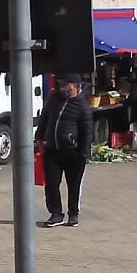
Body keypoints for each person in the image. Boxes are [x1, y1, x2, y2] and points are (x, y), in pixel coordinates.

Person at [36, 74, 93, 227]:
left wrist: (84, 153)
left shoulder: (83, 107)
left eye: (65, 85)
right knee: (52, 184)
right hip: (52, 150)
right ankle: (55, 214)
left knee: (74, 185)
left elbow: (87, 132)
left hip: (73, 152)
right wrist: (39, 137)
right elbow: (45, 117)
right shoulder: (55, 99)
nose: (62, 87)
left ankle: (73, 214)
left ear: (75, 86)